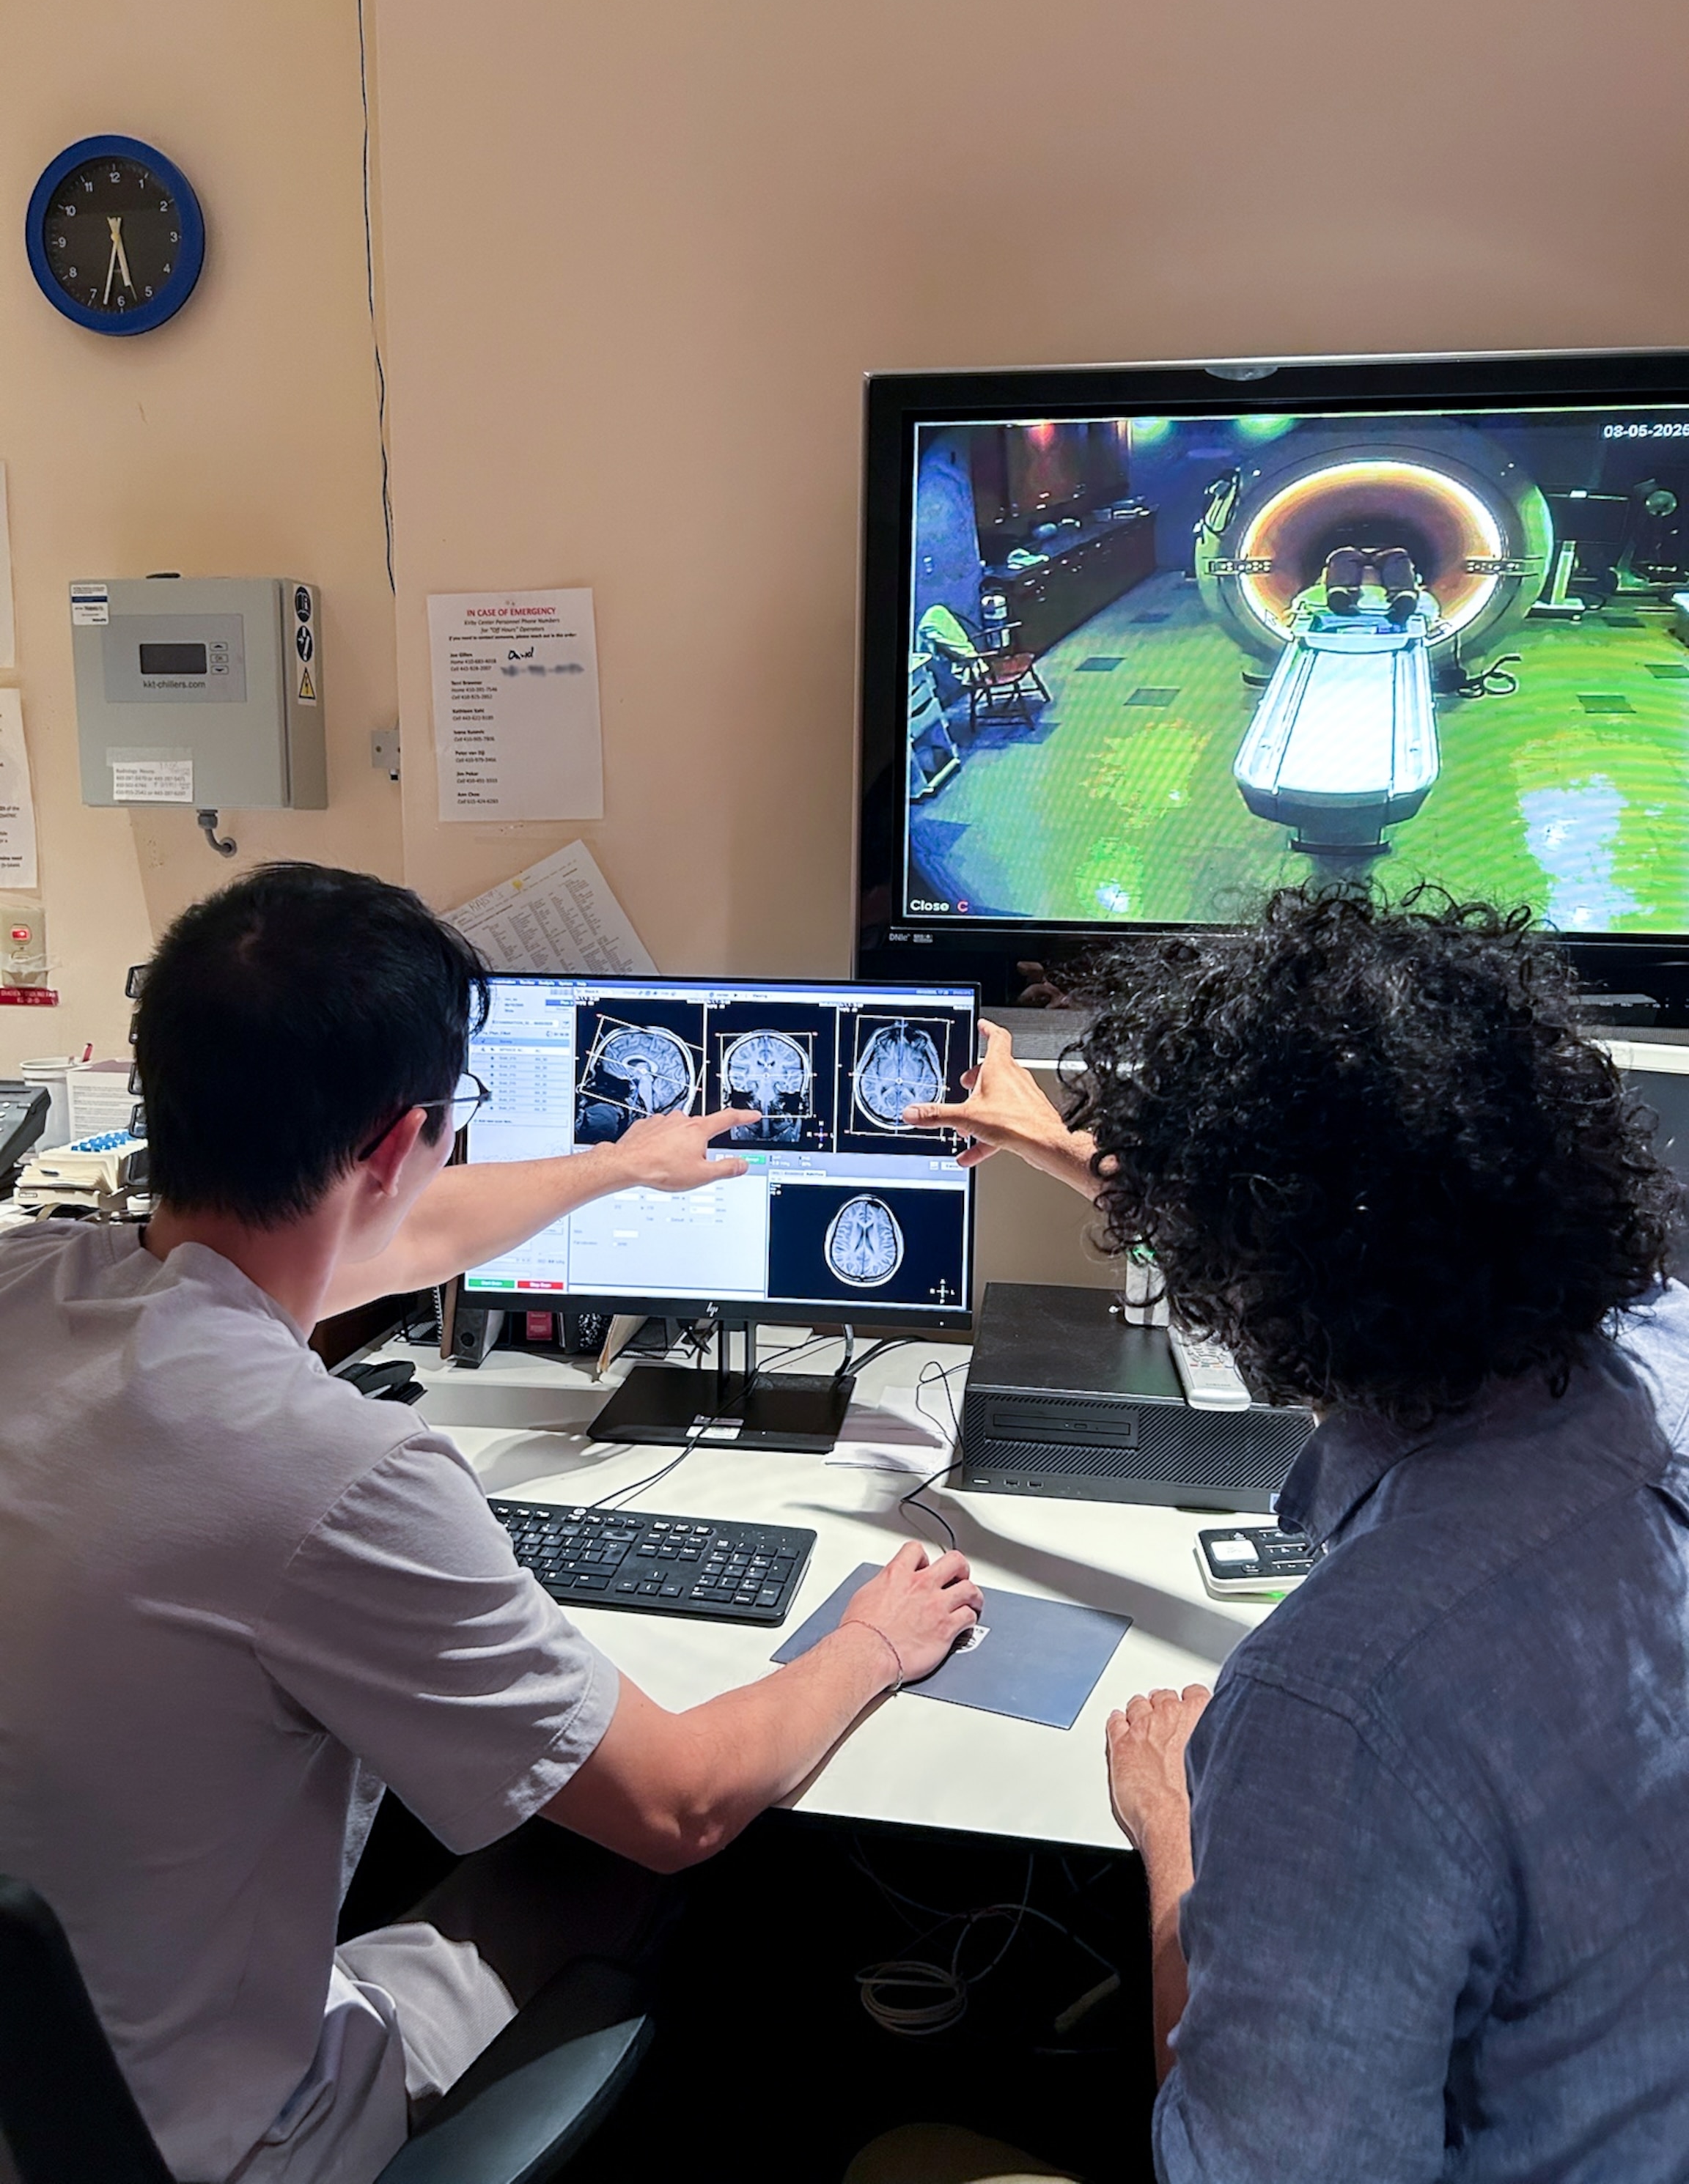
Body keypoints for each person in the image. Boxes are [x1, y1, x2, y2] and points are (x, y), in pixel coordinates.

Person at [0, 863, 981, 2184]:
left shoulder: (30, 1286)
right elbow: (680, 1804)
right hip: (231, 2145)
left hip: (49, 2094)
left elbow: (351, 1246)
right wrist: (872, 1638)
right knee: (633, 1877)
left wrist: (617, 1167)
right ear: (404, 1142)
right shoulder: (333, 1473)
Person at [861, 885, 1689, 2183]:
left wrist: (1172, 1828)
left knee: (899, 2154)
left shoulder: (1340, 1708)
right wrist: (1062, 1144)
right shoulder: (1663, 1341)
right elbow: (1388, 1201)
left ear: (1244, 1288)